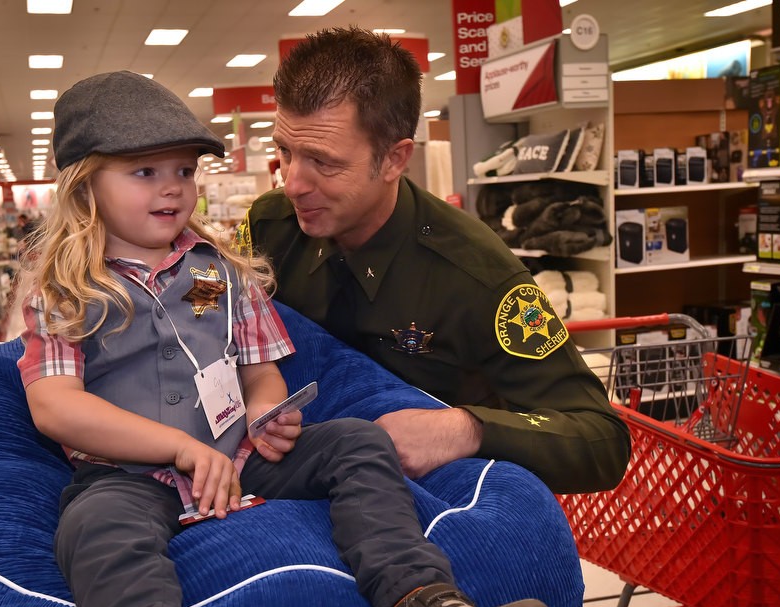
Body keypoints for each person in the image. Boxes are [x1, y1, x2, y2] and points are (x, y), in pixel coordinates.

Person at [17, 70, 565, 607]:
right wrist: (180, 448)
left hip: (243, 455)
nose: (173, 187)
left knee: (358, 440)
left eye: (185, 171)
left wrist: (265, 412)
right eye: (144, 172)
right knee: (93, 525)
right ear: (86, 183)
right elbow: (55, 403)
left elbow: (260, 368)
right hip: (128, 476)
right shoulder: (63, 288)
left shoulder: (221, 270)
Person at [238, 27, 631, 493]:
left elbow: (602, 441)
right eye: (285, 151)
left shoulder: (476, 276)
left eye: (323, 162)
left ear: (394, 159)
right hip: (296, 480)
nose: (293, 183)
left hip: (422, 507)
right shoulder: (270, 226)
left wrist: (465, 430)